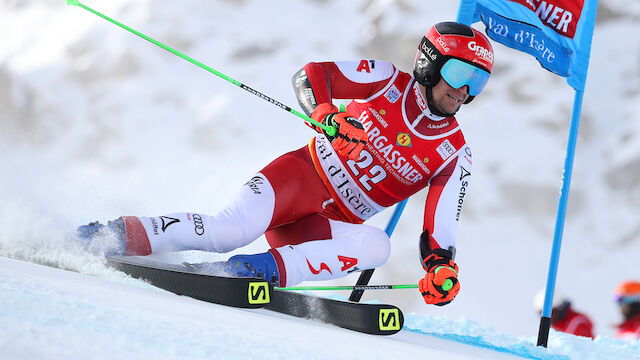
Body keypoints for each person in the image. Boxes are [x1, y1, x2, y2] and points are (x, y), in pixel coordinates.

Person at [77, 22, 494, 306]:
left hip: (323, 226)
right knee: (229, 230)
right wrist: (329, 116)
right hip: (300, 179)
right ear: (430, 62)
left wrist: (441, 268)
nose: (464, 91)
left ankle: (253, 272)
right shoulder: (386, 80)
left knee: (377, 247)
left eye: (477, 81)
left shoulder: (454, 151)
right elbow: (310, 77)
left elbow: (439, 227)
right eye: (459, 73)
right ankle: (109, 236)